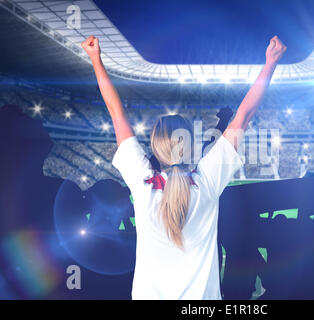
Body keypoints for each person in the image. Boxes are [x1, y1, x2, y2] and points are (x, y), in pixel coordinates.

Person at [81, 35, 286, 299]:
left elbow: (116, 113)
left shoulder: (142, 182)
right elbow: (244, 116)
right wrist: (270, 63)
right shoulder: (207, 181)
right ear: (189, 145)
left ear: (155, 147)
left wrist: (95, 59)